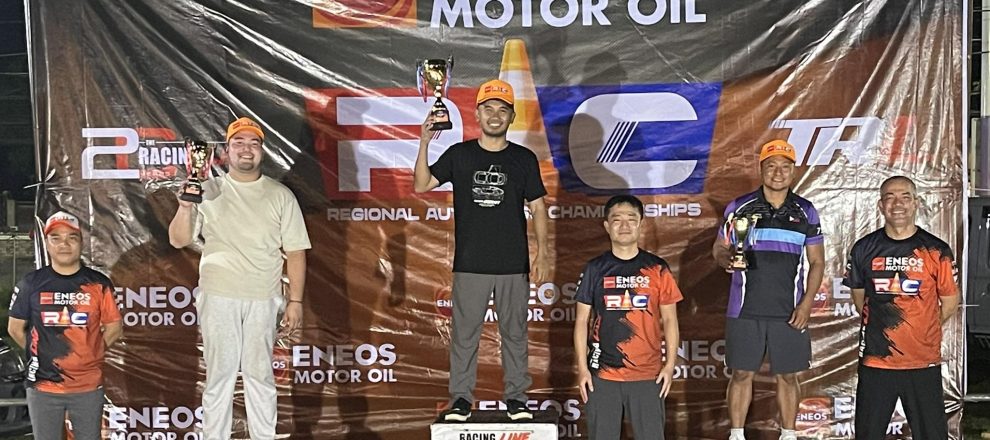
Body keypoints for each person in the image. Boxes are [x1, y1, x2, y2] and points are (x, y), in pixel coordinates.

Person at [414, 79, 550, 421]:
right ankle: (461, 399)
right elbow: (422, 184)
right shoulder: (460, 155)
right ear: (477, 114)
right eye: (488, 109)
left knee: (515, 334)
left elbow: (538, 207)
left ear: (511, 116)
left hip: (513, 263)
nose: (495, 115)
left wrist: (544, 253)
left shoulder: (523, 158)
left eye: (502, 110)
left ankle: (517, 399)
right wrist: (424, 142)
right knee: (464, 336)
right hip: (470, 263)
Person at [168, 117, 311, 440]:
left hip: (264, 297)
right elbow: (178, 240)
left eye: (254, 143)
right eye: (239, 143)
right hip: (218, 295)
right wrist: (185, 207)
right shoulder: (207, 189)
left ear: (262, 151)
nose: (247, 149)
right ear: (226, 151)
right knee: (220, 377)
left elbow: (296, 252)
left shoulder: (280, 195)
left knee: (261, 377)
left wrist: (296, 301)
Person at [711, 140, 825, 440]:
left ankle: (788, 434)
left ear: (793, 171)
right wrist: (726, 260)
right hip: (744, 308)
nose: (778, 172)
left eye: (785, 166)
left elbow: (817, 262)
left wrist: (806, 304)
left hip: (789, 310)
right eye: (771, 166)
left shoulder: (806, 211)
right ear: (761, 169)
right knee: (741, 374)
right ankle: (737, 435)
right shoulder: (740, 207)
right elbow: (720, 247)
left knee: (788, 376)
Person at [843, 176, 959, 439]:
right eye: (890, 197)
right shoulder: (864, 248)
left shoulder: (936, 250)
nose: (898, 204)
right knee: (868, 434)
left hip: (922, 362)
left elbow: (950, 302)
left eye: (905, 197)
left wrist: (920, 328)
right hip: (877, 360)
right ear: (880, 205)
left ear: (916, 203)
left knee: (932, 435)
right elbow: (860, 299)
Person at [7, 211, 123, 440]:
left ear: (81, 242)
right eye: (56, 238)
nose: (64, 244)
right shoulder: (30, 284)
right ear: (47, 244)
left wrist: (90, 354)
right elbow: (15, 328)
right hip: (43, 386)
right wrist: (40, 355)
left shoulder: (99, 283)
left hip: (88, 386)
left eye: (72, 237)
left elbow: (114, 328)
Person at [573, 195, 682, 439]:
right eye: (617, 219)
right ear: (606, 226)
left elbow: (670, 320)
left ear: (641, 224)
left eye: (631, 219)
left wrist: (669, 366)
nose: (624, 225)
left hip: (648, 375)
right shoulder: (595, 268)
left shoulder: (657, 268)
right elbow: (581, 321)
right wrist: (582, 369)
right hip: (602, 374)